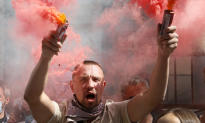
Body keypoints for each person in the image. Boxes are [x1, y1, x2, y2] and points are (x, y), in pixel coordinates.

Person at [24, 23, 179, 123]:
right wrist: (46, 57)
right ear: (72, 86)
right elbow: (32, 97)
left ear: (103, 86)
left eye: (96, 80)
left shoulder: (117, 113)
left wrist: (164, 56)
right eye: (83, 79)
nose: (90, 85)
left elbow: (154, 97)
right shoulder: (60, 115)